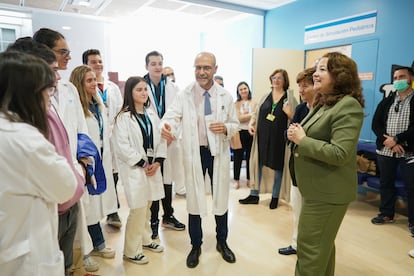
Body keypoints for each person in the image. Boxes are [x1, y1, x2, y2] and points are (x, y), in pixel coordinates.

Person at [7, 37, 85, 276]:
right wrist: (77, 173)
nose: (58, 77)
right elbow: (63, 184)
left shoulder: (45, 104)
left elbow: (69, 141)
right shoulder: (22, 134)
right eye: (50, 72)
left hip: (66, 202)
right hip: (52, 206)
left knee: (67, 261)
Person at [287, 52, 364, 276]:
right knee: (321, 249)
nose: (316, 74)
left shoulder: (348, 106)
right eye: (316, 68)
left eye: (322, 69)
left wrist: (303, 140)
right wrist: (297, 135)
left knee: (310, 251)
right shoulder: (325, 103)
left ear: (339, 75)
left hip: (328, 194)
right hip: (316, 190)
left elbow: (340, 153)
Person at [161, 52, 239, 268]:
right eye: (198, 67)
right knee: (194, 198)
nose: (201, 72)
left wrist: (226, 128)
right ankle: (196, 245)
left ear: (215, 69)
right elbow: (172, 117)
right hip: (195, 152)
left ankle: (222, 241)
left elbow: (234, 123)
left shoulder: (225, 96)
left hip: (218, 153)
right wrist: (167, 128)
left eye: (206, 67)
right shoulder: (184, 94)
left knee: (221, 196)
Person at [33, 27, 99, 273]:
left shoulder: (70, 90)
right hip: (52, 180)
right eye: (63, 52)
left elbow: (82, 132)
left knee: (72, 235)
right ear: (44, 53)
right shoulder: (34, 97)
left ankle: (75, 264)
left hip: (74, 171)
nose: (68, 57)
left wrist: (83, 164)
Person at [112, 76, 166, 265]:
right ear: (130, 93)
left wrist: (157, 162)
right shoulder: (123, 117)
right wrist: (143, 163)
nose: (144, 93)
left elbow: (161, 139)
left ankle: (145, 240)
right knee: (137, 209)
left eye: (145, 89)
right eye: (139, 90)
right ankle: (131, 250)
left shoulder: (152, 114)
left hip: (152, 168)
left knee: (148, 205)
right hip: (135, 169)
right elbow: (122, 146)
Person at [69, 65, 117, 264]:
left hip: (101, 161)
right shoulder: (76, 108)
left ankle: (97, 244)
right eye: (88, 81)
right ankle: (86, 252)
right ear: (79, 84)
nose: (93, 84)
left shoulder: (98, 103)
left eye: (93, 80)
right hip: (85, 164)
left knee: (95, 207)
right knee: (86, 208)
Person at [143, 51, 185, 239]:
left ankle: (167, 215)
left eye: (160, 63)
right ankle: (152, 220)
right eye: (153, 64)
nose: (157, 67)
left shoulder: (173, 87)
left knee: (167, 179)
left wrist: (171, 134)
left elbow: (179, 114)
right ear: (147, 66)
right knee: (153, 181)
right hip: (150, 140)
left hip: (169, 139)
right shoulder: (140, 85)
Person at [82, 48, 124, 229]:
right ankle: (96, 214)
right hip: (96, 138)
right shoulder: (83, 89)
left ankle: (112, 211)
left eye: (100, 61)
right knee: (97, 173)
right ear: (86, 65)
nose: (98, 65)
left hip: (112, 137)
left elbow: (120, 111)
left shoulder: (112, 88)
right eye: (93, 62)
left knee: (113, 173)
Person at [371, 66, 414, 236]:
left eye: (401, 77)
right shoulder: (387, 101)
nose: (397, 80)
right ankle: (387, 214)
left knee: (412, 188)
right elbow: (376, 124)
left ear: (410, 78)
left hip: (409, 152)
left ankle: (413, 222)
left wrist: (397, 139)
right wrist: (388, 141)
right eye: (395, 77)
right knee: (386, 184)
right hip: (386, 150)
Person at [239, 69, 291, 209]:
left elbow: (296, 119)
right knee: (257, 163)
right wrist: (251, 124)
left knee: (278, 167)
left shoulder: (289, 98)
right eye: (274, 77)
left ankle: (275, 197)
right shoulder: (265, 96)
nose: (276, 80)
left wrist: (289, 113)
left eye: (279, 78)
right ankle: (254, 194)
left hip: (279, 139)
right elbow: (255, 114)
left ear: (285, 81)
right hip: (262, 137)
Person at [278, 67, 316, 256]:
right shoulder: (301, 108)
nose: (301, 90)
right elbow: (289, 132)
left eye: (305, 86)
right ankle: (296, 244)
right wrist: (291, 133)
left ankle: (308, 247)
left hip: (314, 169)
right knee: (297, 210)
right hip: (297, 168)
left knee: (312, 215)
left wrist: (299, 135)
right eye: (299, 86)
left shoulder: (324, 111)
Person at [232, 81, 256, 189]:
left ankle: (249, 179)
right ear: (238, 92)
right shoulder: (235, 104)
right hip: (239, 132)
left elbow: (256, 117)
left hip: (251, 132)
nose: (243, 91)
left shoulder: (254, 103)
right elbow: (238, 118)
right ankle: (236, 180)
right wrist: (251, 115)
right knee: (238, 156)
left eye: (245, 88)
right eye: (240, 89)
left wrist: (245, 116)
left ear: (248, 89)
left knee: (250, 156)